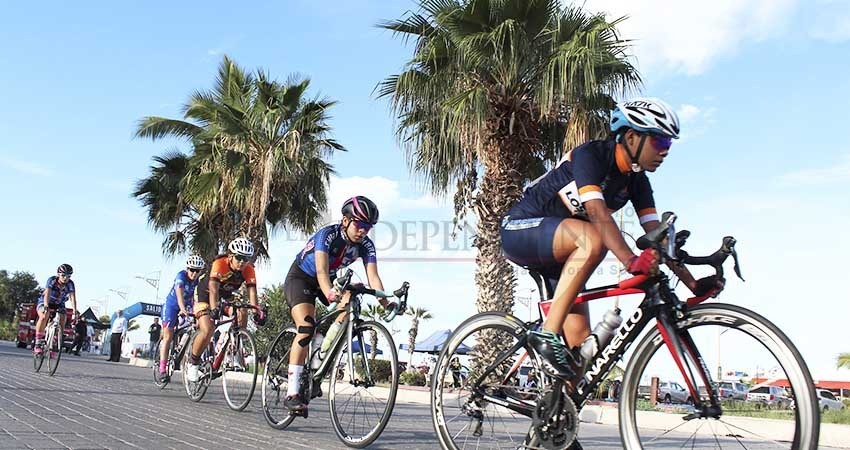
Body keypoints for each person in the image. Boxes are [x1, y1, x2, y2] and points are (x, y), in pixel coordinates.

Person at [500, 98, 724, 381]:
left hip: (564, 256)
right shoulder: (592, 155)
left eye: (668, 146)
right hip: (520, 229)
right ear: (631, 137)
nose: (665, 152)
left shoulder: (637, 181)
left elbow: (656, 237)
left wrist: (693, 284)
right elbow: (596, 211)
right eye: (660, 143)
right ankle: (546, 335)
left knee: (577, 363)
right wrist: (631, 261)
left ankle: (553, 419)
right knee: (594, 239)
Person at [282, 196, 396, 414]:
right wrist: (328, 292)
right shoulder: (328, 235)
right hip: (302, 277)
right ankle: (292, 392)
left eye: (368, 228)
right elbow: (322, 271)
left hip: (330, 278)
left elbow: (373, 277)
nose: (363, 231)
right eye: (360, 225)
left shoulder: (366, 246)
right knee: (306, 328)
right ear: (345, 220)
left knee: (351, 303)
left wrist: (385, 302)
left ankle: (318, 364)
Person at [185, 238, 262, 382]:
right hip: (205, 295)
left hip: (225, 296)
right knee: (207, 329)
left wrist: (257, 311)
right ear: (231, 256)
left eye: (246, 259)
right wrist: (214, 309)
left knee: (242, 311)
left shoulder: (249, 269)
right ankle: (193, 364)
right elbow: (213, 289)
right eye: (239, 257)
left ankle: (234, 347)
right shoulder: (220, 263)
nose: (242, 262)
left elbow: (252, 292)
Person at [157, 255, 204, 382]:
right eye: (192, 270)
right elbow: (179, 294)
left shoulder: (198, 281)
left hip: (188, 305)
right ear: (187, 268)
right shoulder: (181, 276)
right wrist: (182, 309)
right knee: (168, 337)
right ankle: (162, 369)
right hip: (172, 305)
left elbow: (197, 298)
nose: (194, 273)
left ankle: (185, 352)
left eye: (197, 271)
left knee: (198, 327)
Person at [34, 264, 78, 355]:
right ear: (58, 274)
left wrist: (75, 311)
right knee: (44, 315)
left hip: (59, 304)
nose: (65, 278)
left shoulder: (70, 284)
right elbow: (47, 294)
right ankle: (38, 342)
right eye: (63, 275)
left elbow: (72, 298)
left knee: (63, 319)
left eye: (68, 276)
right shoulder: (52, 280)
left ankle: (53, 342)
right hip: (46, 301)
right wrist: (46, 305)